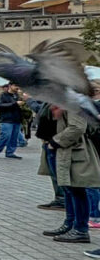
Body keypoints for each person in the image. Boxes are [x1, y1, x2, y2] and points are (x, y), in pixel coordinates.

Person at [40, 104, 100, 245]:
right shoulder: (59, 101)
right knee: (69, 189)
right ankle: (70, 224)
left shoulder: (72, 102)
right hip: (65, 151)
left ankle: (80, 229)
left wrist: (55, 142)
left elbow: (77, 127)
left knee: (76, 190)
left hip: (74, 151)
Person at [0, 82, 25, 160]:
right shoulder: (3, 95)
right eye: (15, 85)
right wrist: (15, 104)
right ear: (10, 86)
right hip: (6, 119)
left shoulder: (18, 95)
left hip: (17, 119)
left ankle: (10, 152)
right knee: (6, 135)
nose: (17, 87)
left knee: (14, 137)